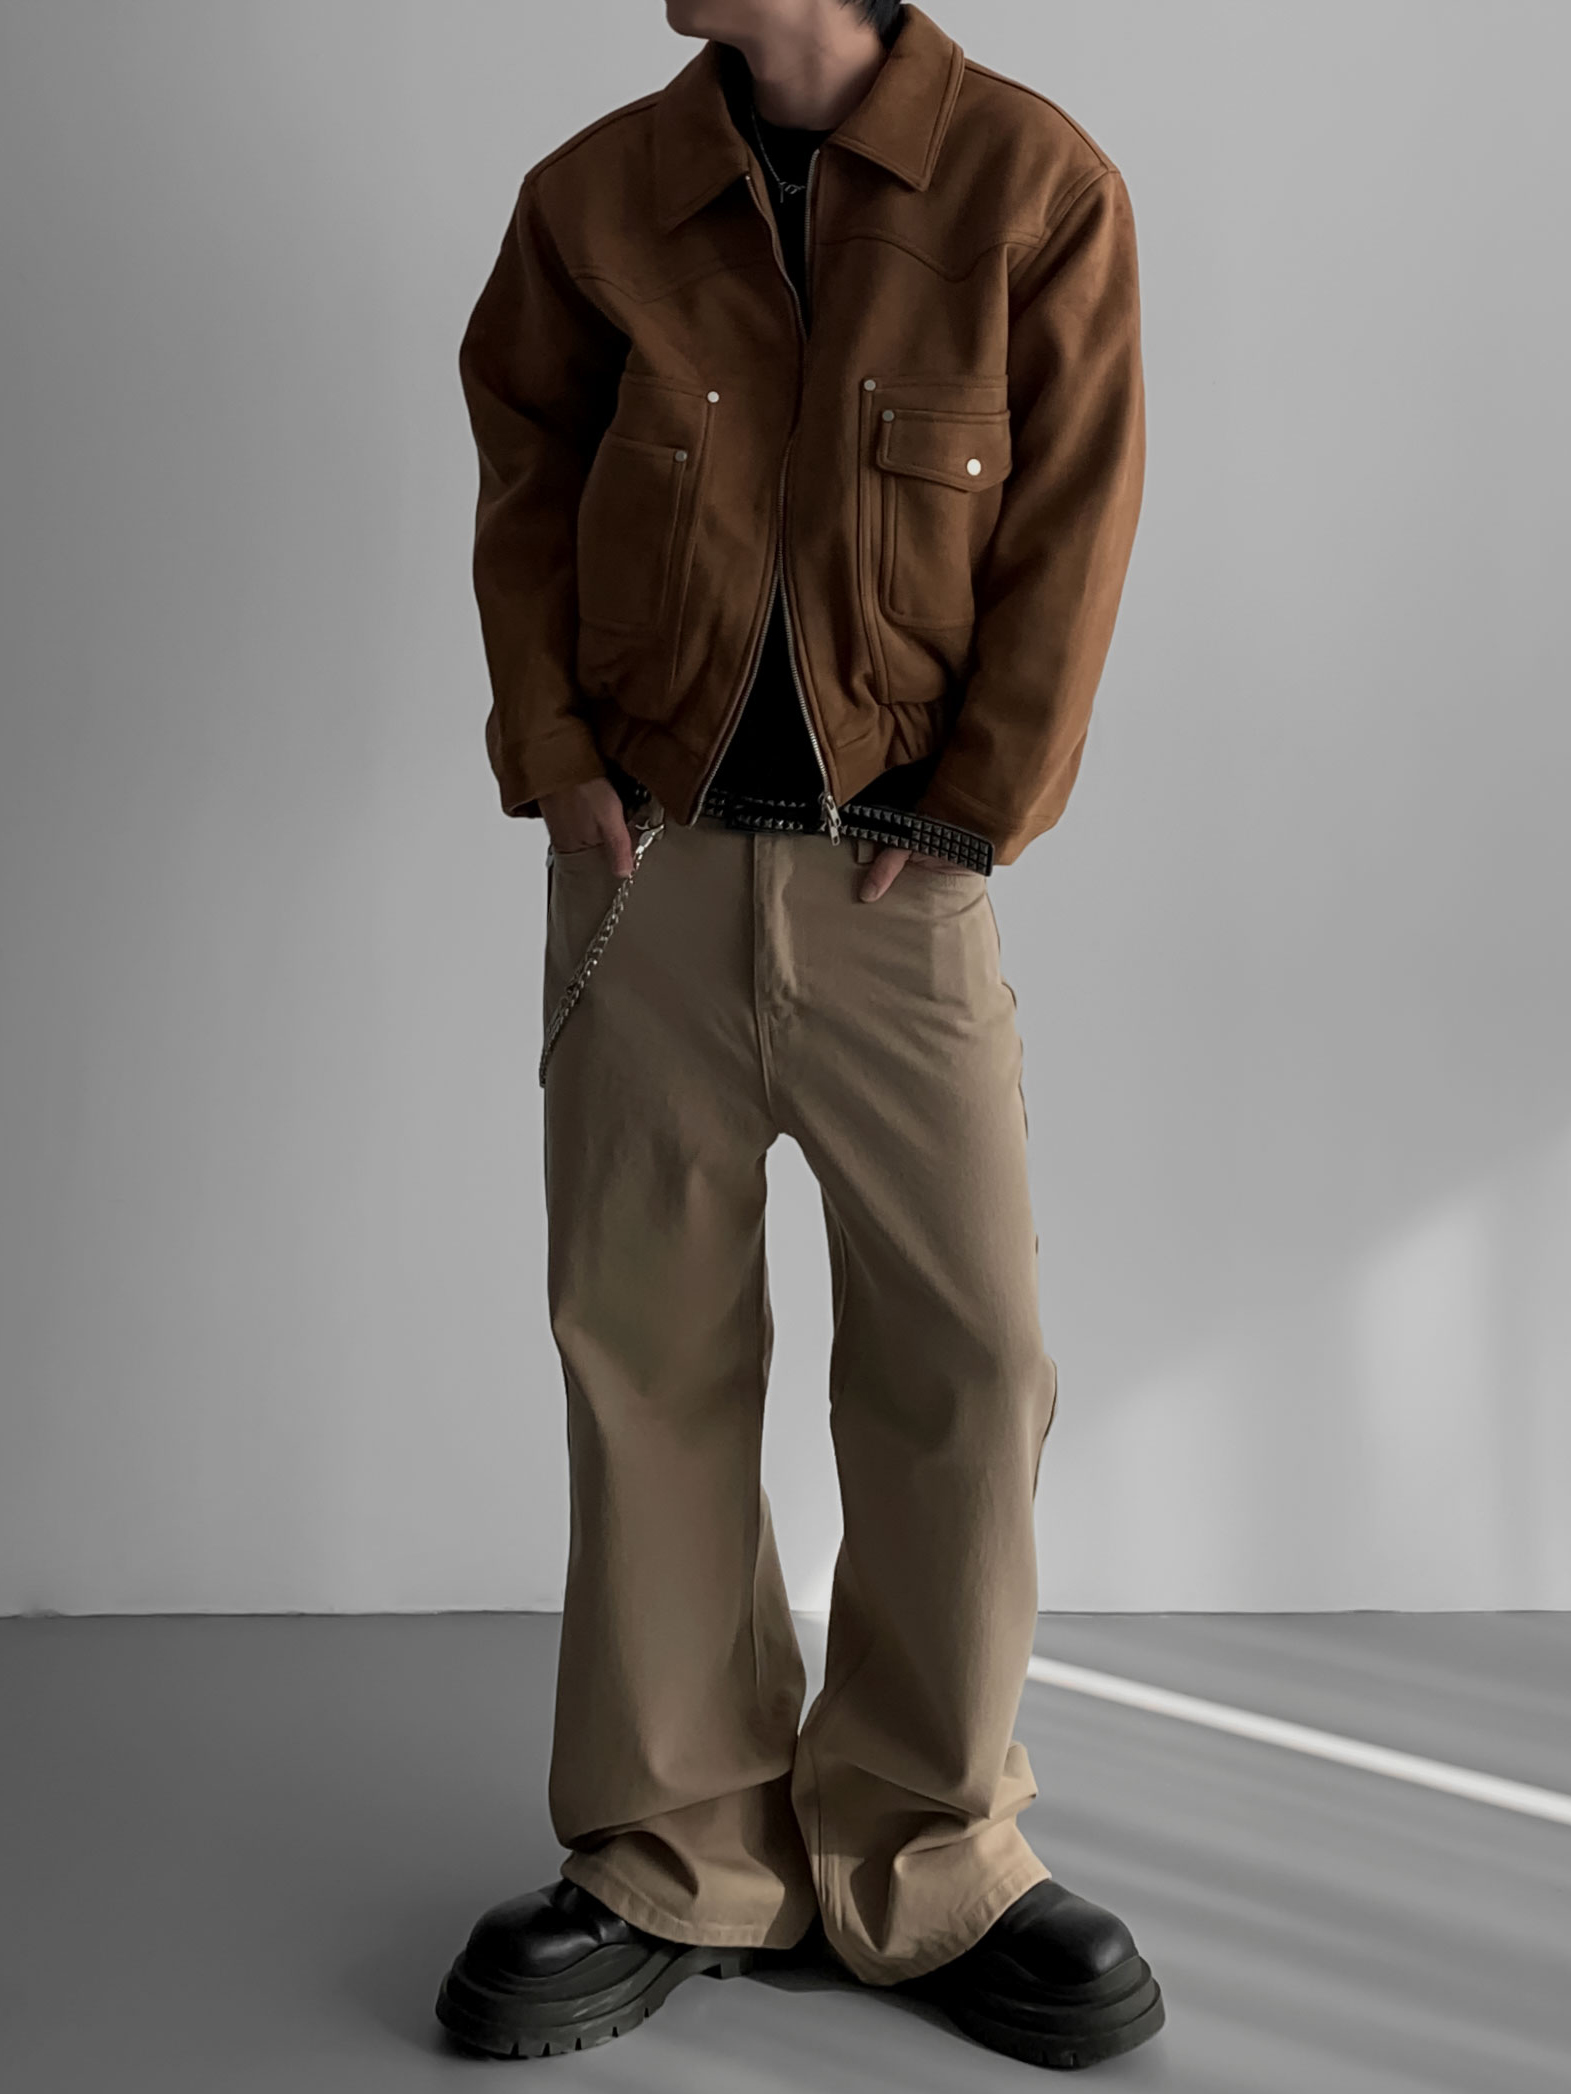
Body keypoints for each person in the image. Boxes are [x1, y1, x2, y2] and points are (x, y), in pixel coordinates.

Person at [438, 0, 1157, 2071]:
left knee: (973, 1354)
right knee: (648, 1351)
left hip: (894, 885)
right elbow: (522, 477)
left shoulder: (1033, 189)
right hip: (643, 868)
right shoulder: (595, 198)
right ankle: (676, 1847)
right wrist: (554, 753)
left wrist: (978, 805)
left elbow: (1075, 514)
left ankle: (933, 1849)